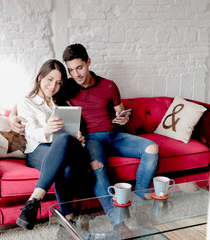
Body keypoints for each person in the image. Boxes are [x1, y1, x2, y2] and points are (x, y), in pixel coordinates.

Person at [10, 44, 159, 228]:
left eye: (79, 68)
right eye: (71, 71)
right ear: (40, 77)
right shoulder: (54, 93)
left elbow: (119, 112)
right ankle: (50, 209)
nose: (76, 75)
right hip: (69, 143)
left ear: (88, 62)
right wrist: (12, 116)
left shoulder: (63, 96)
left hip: (103, 137)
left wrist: (123, 119)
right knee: (76, 166)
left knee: (151, 148)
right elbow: (27, 112)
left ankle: (138, 199)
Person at [15, 59, 93, 230]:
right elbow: (30, 132)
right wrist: (47, 130)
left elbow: (71, 133)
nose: (53, 86)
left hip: (64, 147)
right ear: (39, 78)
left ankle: (33, 202)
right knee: (63, 165)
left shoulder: (63, 103)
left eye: (58, 82)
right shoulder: (26, 103)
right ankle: (68, 217)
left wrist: (77, 137)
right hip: (37, 150)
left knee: (65, 140)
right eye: (49, 79)